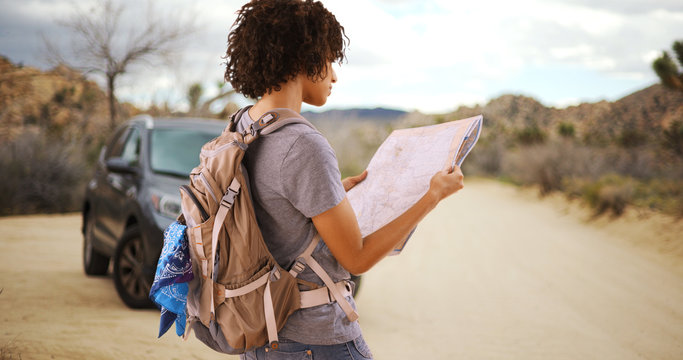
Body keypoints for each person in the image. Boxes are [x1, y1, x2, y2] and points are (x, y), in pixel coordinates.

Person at [224, 1, 464, 359]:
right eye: (329, 59)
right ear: (302, 57)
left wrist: (332, 196)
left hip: (260, 335)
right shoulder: (303, 144)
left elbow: (275, 215)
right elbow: (357, 259)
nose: (334, 75)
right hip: (316, 339)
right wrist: (431, 196)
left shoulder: (241, 126)